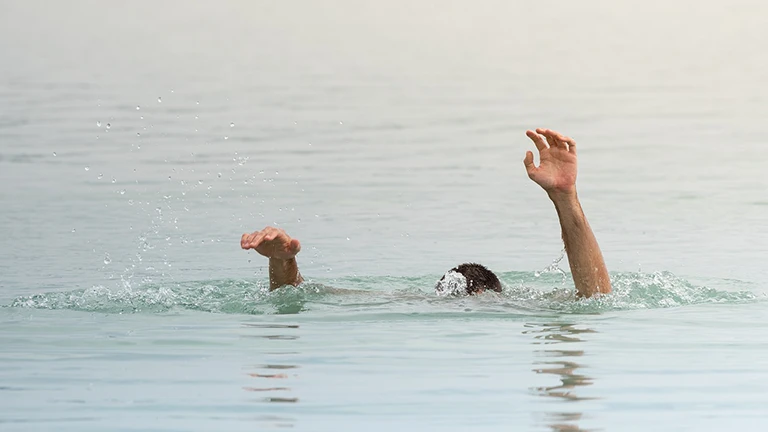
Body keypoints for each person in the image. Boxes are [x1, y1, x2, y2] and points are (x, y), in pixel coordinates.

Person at [240, 128, 612, 298]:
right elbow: (596, 297)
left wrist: (282, 264)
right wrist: (567, 201)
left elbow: (299, 296)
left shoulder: (403, 301)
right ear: (493, 296)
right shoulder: (518, 307)